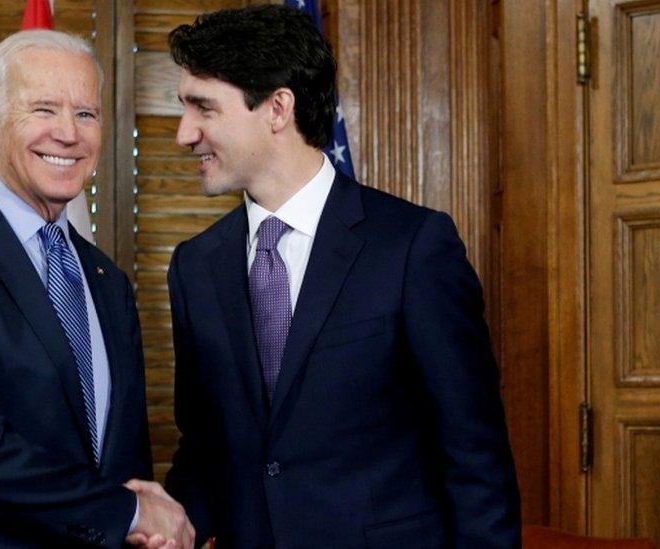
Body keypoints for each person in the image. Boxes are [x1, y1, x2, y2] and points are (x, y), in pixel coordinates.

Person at [163, 5, 521, 548]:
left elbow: (475, 454)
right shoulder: (195, 265)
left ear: (277, 108)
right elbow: (206, 446)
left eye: (203, 109)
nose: (184, 134)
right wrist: (165, 524)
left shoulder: (413, 247)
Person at [0, 30, 192, 548]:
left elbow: (122, 460)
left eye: (86, 114)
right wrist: (129, 511)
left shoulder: (108, 282)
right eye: (43, 109)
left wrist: (140, 524)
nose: (68, 133)